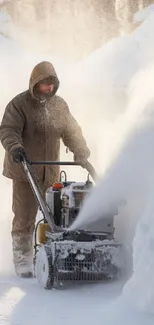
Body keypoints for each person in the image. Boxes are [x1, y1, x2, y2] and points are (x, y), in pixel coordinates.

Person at [0, 61, 90, 278]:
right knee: (24, 216)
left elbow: (71, 130)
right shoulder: (19, 104)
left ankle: (54, 253)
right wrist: (16, 148)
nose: (48, 89)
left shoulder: (59, 105)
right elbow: (8, 130)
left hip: (50, 172)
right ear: (34, 83)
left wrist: (80, 149)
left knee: (57, 216)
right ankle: (22, 259)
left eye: (51, 84)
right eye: (44, 84)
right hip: (24, 169)